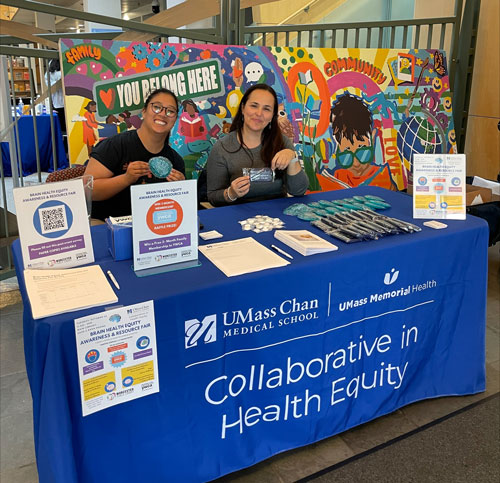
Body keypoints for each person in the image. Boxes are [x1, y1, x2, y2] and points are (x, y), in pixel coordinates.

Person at [84, 88, 185, 221]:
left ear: (175, 120)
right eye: (156, 107)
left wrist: (181, 190)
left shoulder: (175, 161)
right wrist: (126, 179)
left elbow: (177, 209)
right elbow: (87, 191)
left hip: (154, 226)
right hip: (106, 224)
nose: (162, 114)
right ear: (144, 111)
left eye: (170, 111)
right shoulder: (115, 146)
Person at [207, 84, 308, 206]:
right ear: (243, 108)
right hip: (237, 217)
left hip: (279, 215)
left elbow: (298, 191)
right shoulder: (221, 148)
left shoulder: (282, 142)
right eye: (254, 106)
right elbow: (213, 197)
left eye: (266, 109)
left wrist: (292, 158)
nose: (259, 113)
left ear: (272, 116)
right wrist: (231, 193)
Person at [330, 92, 396, 190]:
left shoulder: (383, 176)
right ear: (338, 147)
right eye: (346, 156)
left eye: (362, 151)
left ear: (372, 140)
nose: (356, 164)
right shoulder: (337, 177)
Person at [45, 59, 66, 134]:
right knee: (62, 128)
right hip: (58, 103)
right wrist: (58, 83)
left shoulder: (66, 60)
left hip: (66, 102)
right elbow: (47, 80)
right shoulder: (52, 63)